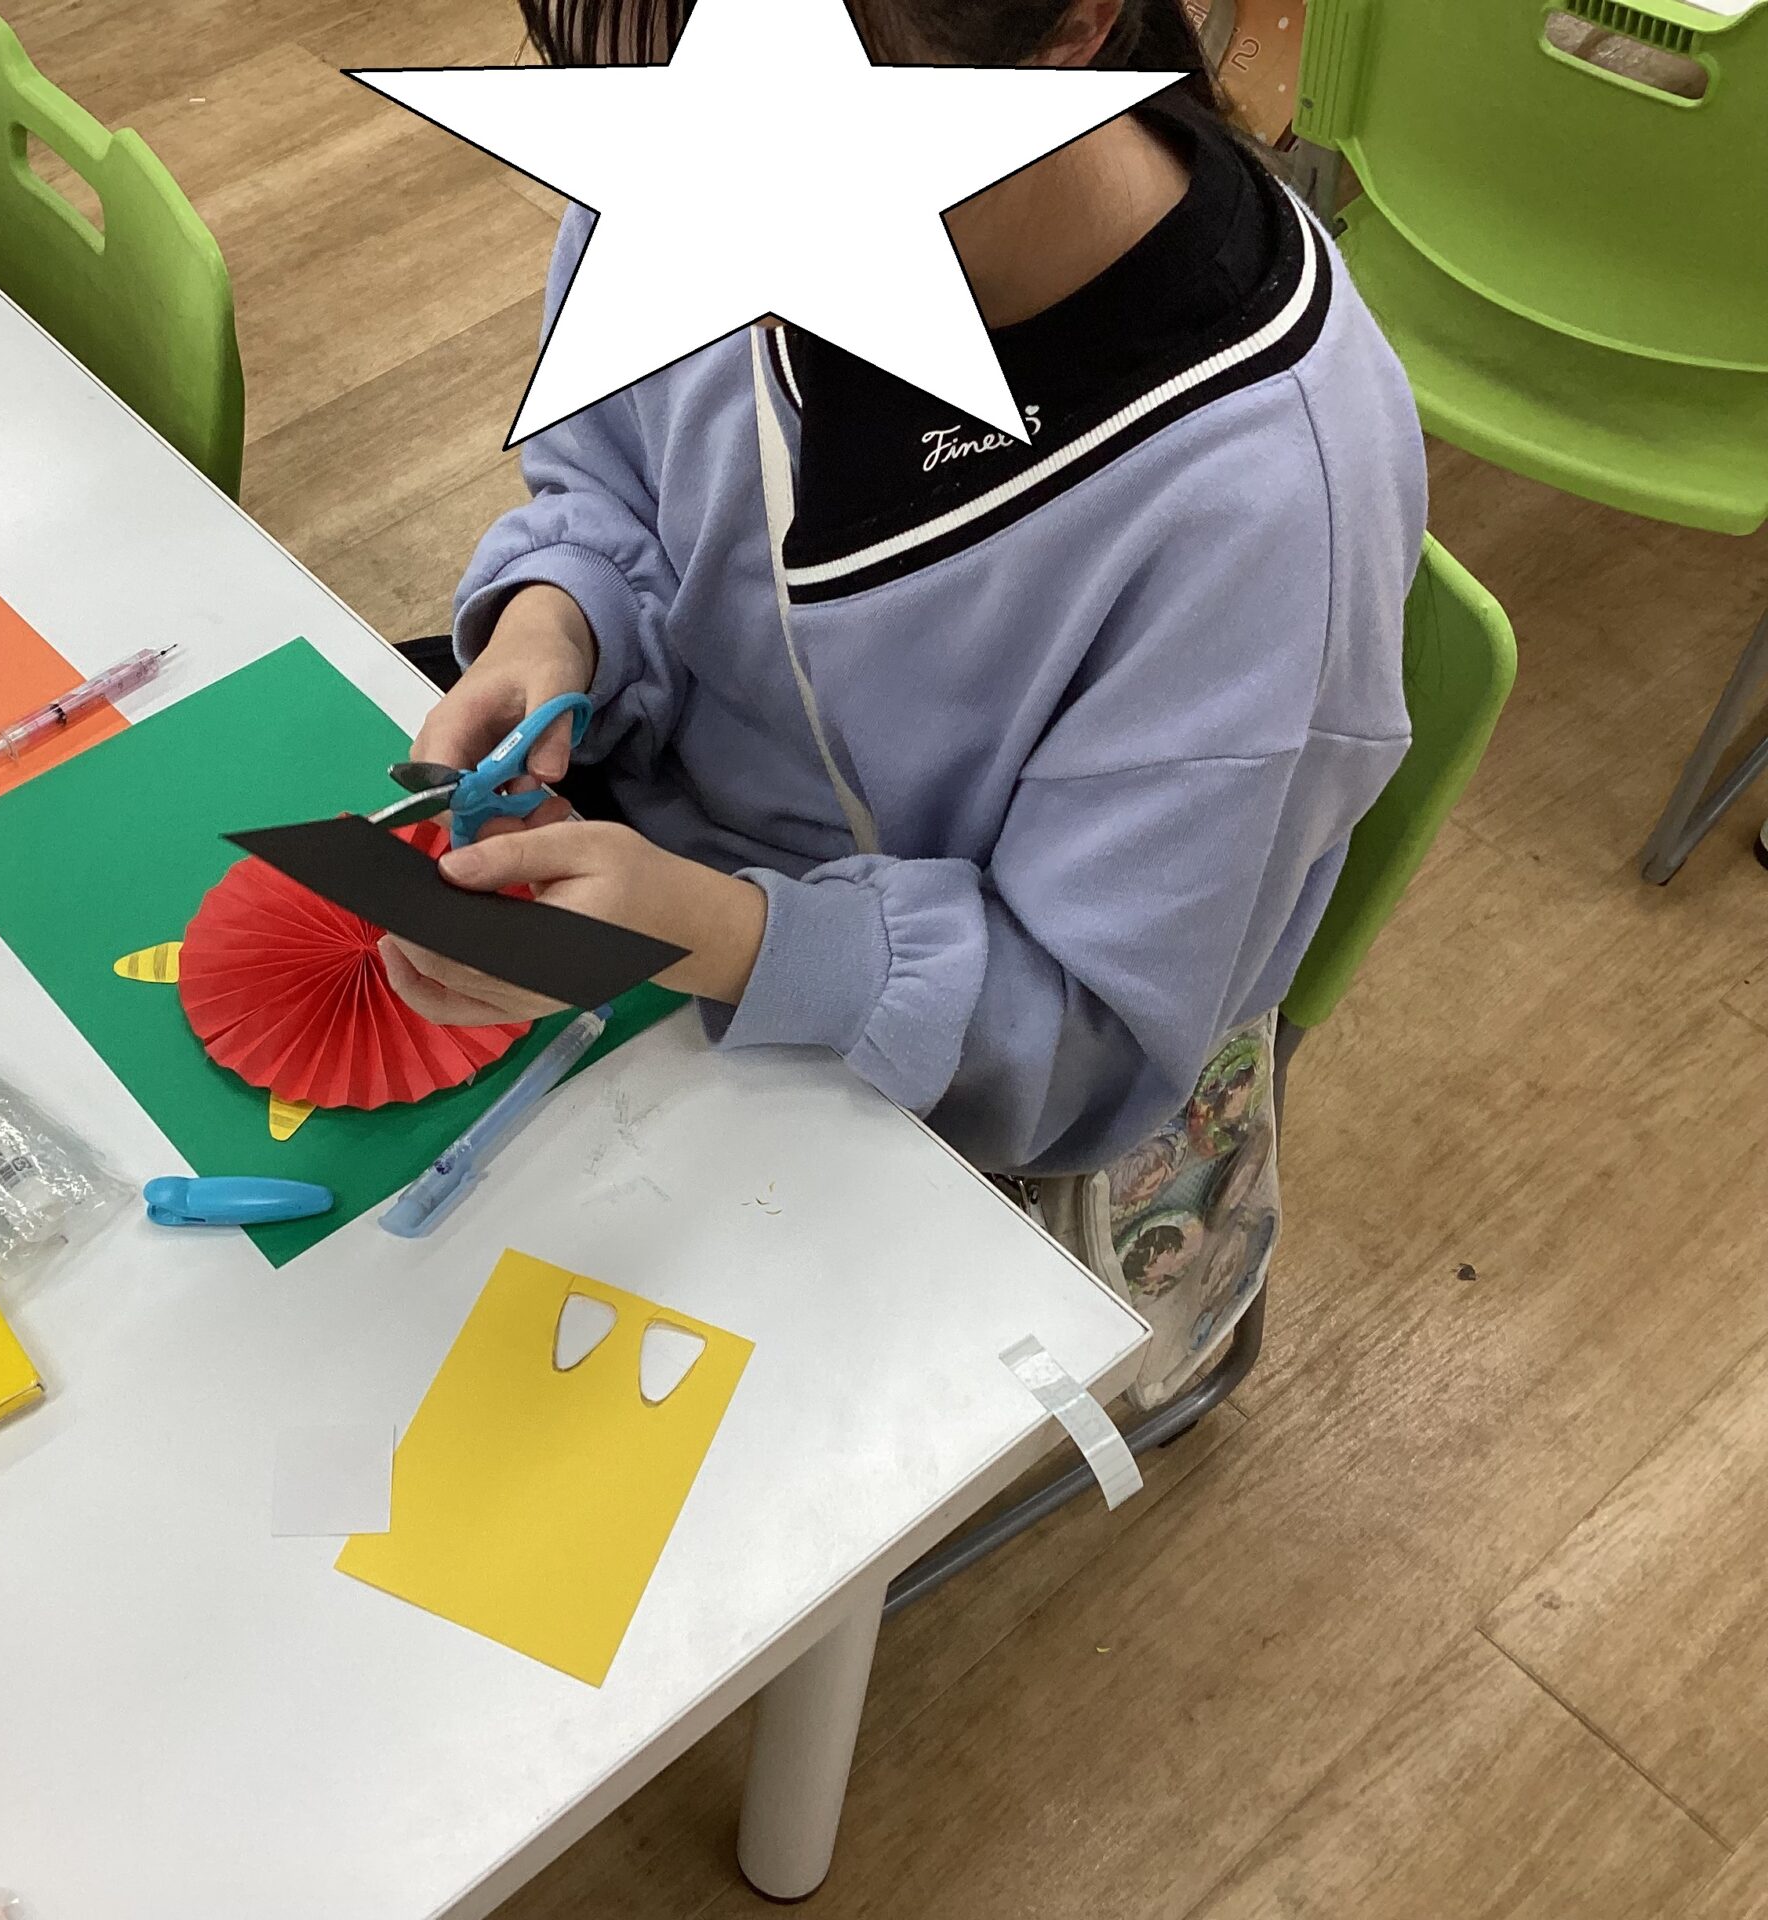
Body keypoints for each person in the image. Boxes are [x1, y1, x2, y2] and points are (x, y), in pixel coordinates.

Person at [383, 0, 1427, 1405]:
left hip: (956, 1097)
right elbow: (614, 475)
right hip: (669, 917)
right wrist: (557, 618)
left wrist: (717, 932)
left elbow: (1082, 1041)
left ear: (1068, 28)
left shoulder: (1257, 505)